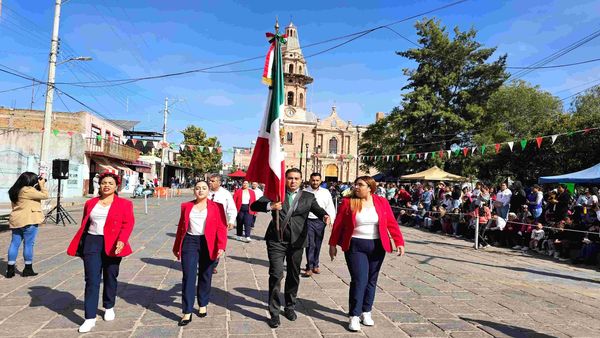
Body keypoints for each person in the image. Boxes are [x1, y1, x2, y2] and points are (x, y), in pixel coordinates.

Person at [250, 168, 330, 328]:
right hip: (276, 240)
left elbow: (318, 209)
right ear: (285, 179)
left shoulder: (308, 196)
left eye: (297, 178)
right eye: (290, 178)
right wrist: (270, 205)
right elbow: (255, 205)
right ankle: (273, 312)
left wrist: (324, 215)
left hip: (297, 242)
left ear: (301, 181)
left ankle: (289, 306)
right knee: (276, 274)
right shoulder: (276, 193)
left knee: (293, 275)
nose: (293, 181)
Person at [328, 176, 405, 332]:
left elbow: (391, 222)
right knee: (359, 279)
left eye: (360, 185)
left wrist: (399, 242)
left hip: (377, 245)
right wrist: (332, 244)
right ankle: (354, 315)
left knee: (371, 280)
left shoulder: (382, 202)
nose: (356, 187)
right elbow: (338, 224)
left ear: (370, 187)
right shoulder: (348, 202)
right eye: (355, 184)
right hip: (355, 245)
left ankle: (366, 311)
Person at [67, 172, 135, 333]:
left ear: (116, 186)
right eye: (104, 182)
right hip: (92, 242)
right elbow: (85, 223)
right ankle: (89, 317)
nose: (106, 185)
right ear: (99, 185)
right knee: (92, 279)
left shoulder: (124, 204)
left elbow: (128, 223)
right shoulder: (91, 203)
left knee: (111, 276)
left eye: (110, 183)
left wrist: (122, 240)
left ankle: (109, 305)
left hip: (113, 244)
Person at [172, 180, 228, 326]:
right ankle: (187, 311)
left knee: (205, 274)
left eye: (204, 188)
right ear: (194, 191)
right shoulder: (186, 206)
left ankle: (203, 303)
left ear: (208, 191)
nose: (200, 191)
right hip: (190, 242)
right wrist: (177, 246)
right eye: (197, 188)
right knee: (188, 276)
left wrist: (221, 246)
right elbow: (181, 227)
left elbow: (222, 227)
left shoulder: (217, 207)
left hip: (208, 242)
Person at [6, 172, 49, 278]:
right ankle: (28, 269)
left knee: (14, 244)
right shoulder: (27, 190)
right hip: (28, 220)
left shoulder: (14, 190)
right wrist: (42, 185)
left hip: (16, 220)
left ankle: (10, 269)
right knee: (28, 244)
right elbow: (45, 195)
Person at [303, 173, 336, 277]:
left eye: (317, 180)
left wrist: (331, 219)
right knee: (309, 244)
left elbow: (330, 206)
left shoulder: (325, 192)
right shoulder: (304, 192)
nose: (315, 182)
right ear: (309, 180)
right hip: (308, 220)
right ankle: (309, 266)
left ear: (321, 181)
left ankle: (315, 264)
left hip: (321, 221)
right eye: (313, 180)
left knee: (318, 243)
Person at [207, 174, 237, 274]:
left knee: (217, 245)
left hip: (219, 223)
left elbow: (232, 208)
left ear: (219, 183)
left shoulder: (225, 194)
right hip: (204, 223)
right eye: (209, 181)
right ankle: (204, 263)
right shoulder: (205, 191)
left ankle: (213, 265)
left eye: (212, 181)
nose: (210, 183)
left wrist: (231, 221)